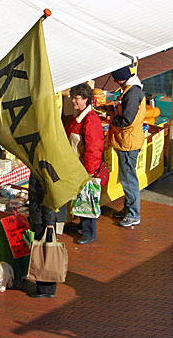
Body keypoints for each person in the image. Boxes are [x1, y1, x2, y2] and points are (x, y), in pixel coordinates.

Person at [63, 83, 108, 245]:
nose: (73, 101)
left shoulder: (90, 120)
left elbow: (94, 148)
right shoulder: (79, 117)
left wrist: (89, 171)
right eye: (73, 97)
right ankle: (82, 225)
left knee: (87, 199)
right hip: (77, 167)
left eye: (77, 98)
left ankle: (89, 232)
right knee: (80, 198)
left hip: (85, 169)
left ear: (86, 99)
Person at [107, 66, 147, 228]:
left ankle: (133, 214)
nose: (115, 82)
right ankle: (128, 209)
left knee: (128, 179)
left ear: (120, 79)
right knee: (128, 177)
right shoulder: (134, 90)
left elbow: (127, 120)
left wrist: (112, 119)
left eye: (115, 79)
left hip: (128, 142)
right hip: (130, 140)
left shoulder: (131, 94)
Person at [27, 175, 67, 298]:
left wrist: (49, 223)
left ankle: (45, 287)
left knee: (44, 251)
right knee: (46, 251)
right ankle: (45, 286)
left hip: (43, 219)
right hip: (42, 217)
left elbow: (47, 199)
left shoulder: (42, 173)